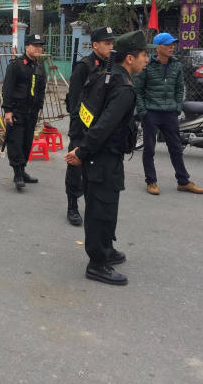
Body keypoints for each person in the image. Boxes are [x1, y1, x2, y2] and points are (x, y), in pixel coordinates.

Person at [65, 30, 153, 286]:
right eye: (143, 55)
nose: (146, 60)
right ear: (129, 58)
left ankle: (106, 248)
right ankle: (97, 263)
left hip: (100, 156)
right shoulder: (122, 87)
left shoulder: (106, 76)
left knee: (105, 205)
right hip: (101, 157)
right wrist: (82, 151)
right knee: (100, 210)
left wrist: (81, 146)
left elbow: (84, 113)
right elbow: (103, 125)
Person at [134, 32, 203, 196]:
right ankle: (151, 181)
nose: (172, 47)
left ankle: (183, 181)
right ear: (158, 48)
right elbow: (137, 91)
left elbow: (180, 89)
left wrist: (177, 107)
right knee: (149, 149)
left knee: (176, 148)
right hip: (151, 113)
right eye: (168, 44)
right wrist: (144, 112)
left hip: (170, 114)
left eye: (173, 44)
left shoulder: (176, 65)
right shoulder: (147, 66)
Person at [65, 26, 116, 226]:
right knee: (75, 167)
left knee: (97, 168)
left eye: (112, 43)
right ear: (95, 45)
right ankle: (72, 206)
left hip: (100, 128)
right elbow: (74, 101)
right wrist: (80, 126)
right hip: (82, 127)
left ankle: (93, 205)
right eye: (107, 43)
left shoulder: (111, 66)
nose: (111, 47)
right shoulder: (84, 67)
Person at [2, 34, 47, 191]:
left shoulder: (39, 66)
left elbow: (41, 90)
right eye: (35, 45)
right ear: (27, 47)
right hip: (17, 111)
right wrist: (7, 111)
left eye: (40, 46)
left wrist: (39, 107)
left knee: (27, 142)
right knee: (16, 142)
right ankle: (17, 174)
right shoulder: (16, 65)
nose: (38, 48)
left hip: (31, 112)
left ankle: (23, 170)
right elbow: (7, 89)